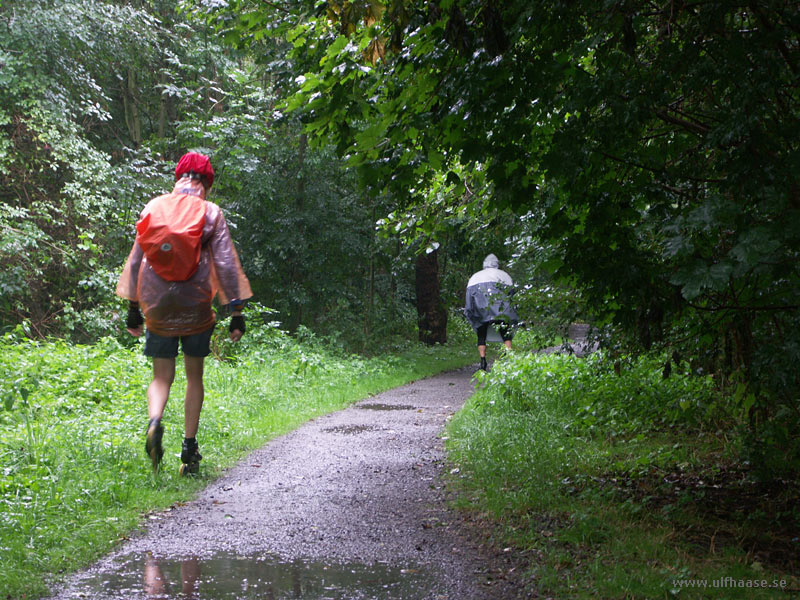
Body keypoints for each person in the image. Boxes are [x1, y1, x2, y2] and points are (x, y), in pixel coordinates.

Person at [116, 152, 252, 474]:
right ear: (206, 182)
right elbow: (227, 267)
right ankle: (189, 452)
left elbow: (136, 261)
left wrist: (133, 307)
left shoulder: (154, 207)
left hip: (157, 305)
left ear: (178, 178)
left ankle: (154, 421)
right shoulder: (210, 213)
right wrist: (236, 312)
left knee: (161, 376)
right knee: (194, 376)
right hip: (196, 307)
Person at [464, 253, 519, 370]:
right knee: (506, 334)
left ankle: (483, 361)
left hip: (482, 311)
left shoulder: (475, 278)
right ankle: (509, 358)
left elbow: (469, 300)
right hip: (502, 311)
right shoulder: (506, 277)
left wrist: (471, 314)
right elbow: (513, 297)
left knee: (481, 334)